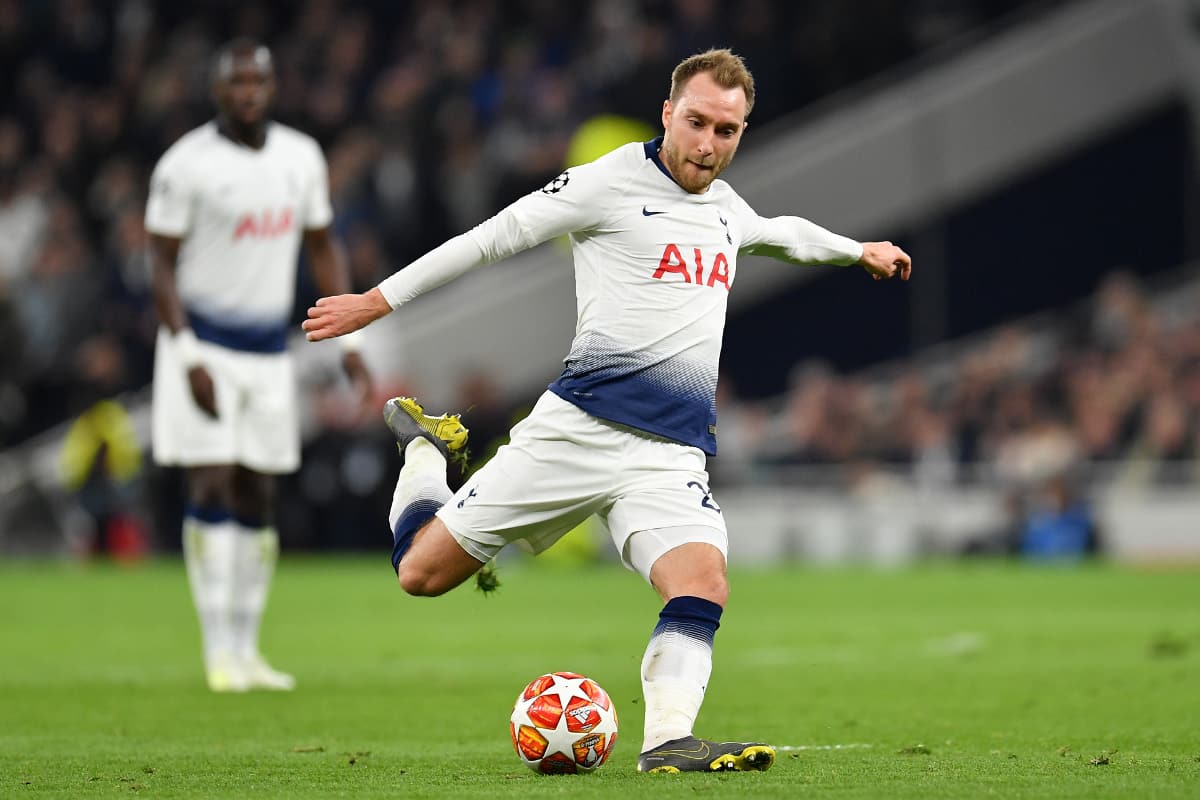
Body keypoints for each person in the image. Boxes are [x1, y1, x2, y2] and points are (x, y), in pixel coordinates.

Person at [303, 48, 910, 771]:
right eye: (696, 123)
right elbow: (492, 238)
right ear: (667, 113)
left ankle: (668, 741)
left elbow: (784, 235)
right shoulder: (608, 183)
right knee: (419, 574)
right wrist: (376, 300)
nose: (708, 144)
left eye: (726, 130)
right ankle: (425, 450)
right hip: (577, 434)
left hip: (669, 454)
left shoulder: (725, 208)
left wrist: (857, 250)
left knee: (702, 582)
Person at [145, 38, 373, 692]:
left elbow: (322, 246)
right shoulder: (185, 164)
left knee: (260, 491)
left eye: (258, 81)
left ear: (273, 87)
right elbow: (159, 263)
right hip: (204, 345)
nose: (248, 92)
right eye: (236, 81)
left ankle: (247, 648)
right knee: (212, 482)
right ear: (217, 89)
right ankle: (218, 647)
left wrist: (349, 341)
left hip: (269, 349)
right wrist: (187, 354)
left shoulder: (300, 157)